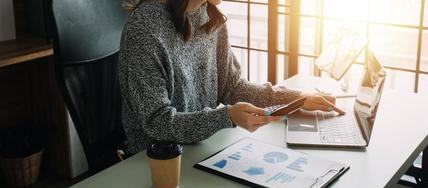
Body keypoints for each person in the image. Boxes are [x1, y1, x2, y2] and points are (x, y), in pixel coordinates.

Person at [119, 0, 337, 154]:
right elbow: (157, 123)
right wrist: (226, 117)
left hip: (201, 148)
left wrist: (295, 98)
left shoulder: (208, 14)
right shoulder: (145, 30)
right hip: (156, 161)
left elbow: (232, 88)